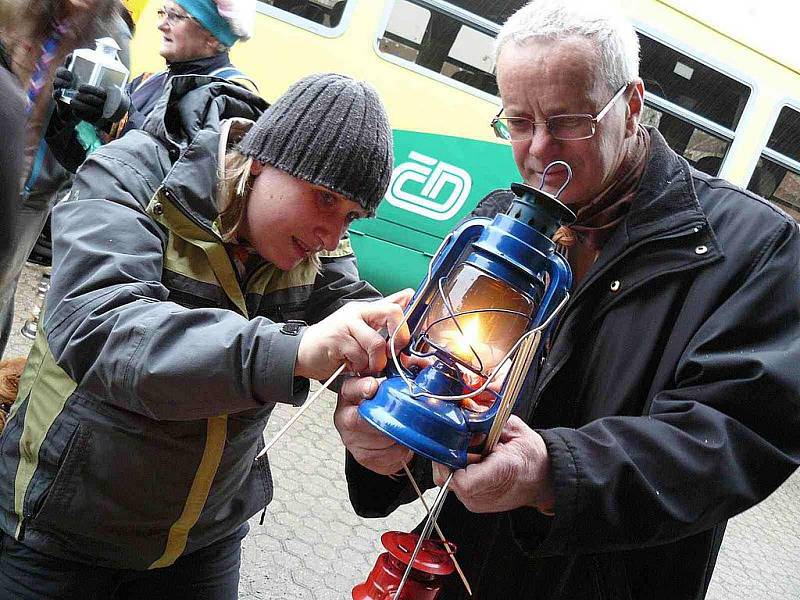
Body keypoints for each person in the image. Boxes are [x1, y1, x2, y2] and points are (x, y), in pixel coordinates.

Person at [335, 1, 800, 599]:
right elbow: (444, 374)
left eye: (567, 122)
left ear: (631, 107)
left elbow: (732, 438)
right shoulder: (500, 218)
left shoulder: (755, 248)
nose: (538, 150)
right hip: (463, 567)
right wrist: (386, 452)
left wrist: (552, 473)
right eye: (519, 122)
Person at [0, 72, 401, 599]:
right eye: (325, 198)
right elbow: (101, 329)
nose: (334, 233)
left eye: (351, 217)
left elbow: (347, 299)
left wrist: (399, 330)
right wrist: (293, 349)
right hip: (64, 531)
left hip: (205, 540)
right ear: (264, 160)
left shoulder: (312, 242)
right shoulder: (131, 177)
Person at [0, 0, 128, 358]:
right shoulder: (22, 9)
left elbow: (102, 140)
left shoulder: (112, 35)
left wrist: (101, 111)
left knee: (1, 286)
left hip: (31, 191)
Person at [47, 0, 258, 173]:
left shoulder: (230, 98)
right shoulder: (148, 81)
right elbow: (81, 163)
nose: (162, 24)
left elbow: (188, 180)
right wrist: (66, 114)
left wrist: (123, 120)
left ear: (212, 35)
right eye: (163, 13)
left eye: (175, 16)